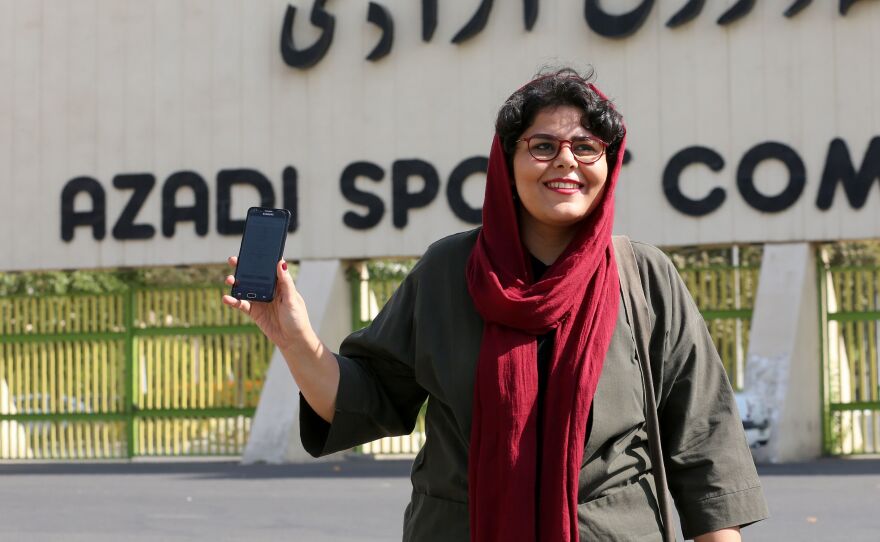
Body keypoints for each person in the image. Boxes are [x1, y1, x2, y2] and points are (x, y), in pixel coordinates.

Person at [222, 68, 769, 541]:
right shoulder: (447, 274)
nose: (567, 162)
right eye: (543, 145)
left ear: (609, 162)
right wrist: (293, 337)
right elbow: (368, 399)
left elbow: (705, 444)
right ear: (507, 160)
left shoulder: (644, 278)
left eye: (586, 147)